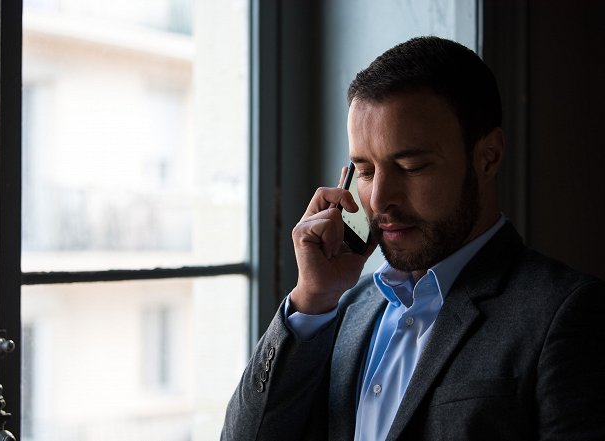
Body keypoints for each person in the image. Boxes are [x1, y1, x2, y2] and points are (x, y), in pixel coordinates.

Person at [221, 36, 605, 441]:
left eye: (411, 166)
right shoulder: (346, 309)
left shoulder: (569, 314)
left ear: (488, 157)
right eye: (365, 171)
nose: (381, 199)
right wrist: (311, 300)